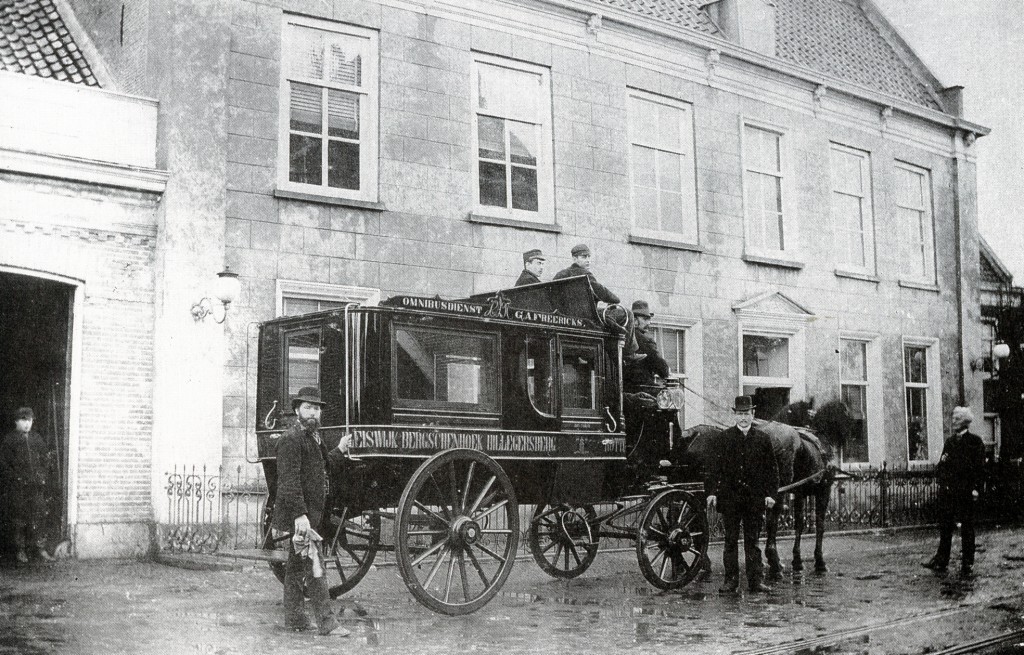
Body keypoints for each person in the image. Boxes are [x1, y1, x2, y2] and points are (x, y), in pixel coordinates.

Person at [274, 387, 350, 636]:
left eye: (317, 409)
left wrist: (339, 450)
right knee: (315, 566)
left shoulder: (313, 438)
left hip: (311, 515)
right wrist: (300, 516)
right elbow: (288, 482)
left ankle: (295, 620)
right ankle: (328, 624)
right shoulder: (292, 439)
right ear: (297, 410)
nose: (313, 413)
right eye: (308, 407)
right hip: (303, 517)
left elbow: (323, 466)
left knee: (296, 569)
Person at [706, 396, 779, 594]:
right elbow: (714, 468)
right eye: (740, 413)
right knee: (730, 540)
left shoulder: (763, 439)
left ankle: (755, 581)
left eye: (747, 413)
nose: (743, 418)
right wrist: (712, 492)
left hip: (754, 499)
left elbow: (771, 470)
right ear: (735, 415)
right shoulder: (724, 438)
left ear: (753, 414)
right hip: (730, 498)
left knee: (752, 541)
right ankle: (731, 581)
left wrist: (771, 494)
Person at [922, 406, 986, 575]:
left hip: (966, 492)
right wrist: (942, 477)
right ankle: (941, 560)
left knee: (967, 528)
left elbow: (980, 469)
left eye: (957, 419)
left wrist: (976, 489)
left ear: (964, 422)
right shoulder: (950, 442)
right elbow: (943, 464)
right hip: (950, 492)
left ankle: (968, 562)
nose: (953, 422)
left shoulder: (975, 442)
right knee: (945, 527)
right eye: (953, 419)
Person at [0, 407, 55, 564]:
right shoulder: (9, 440)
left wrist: (42, 475)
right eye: (23, 420)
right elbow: (3, 464)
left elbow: (46, 458)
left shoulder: (36, 438)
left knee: (39, 515)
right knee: (19, 518)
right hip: (18, 487)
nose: (27, 424)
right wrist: (14, 478)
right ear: (16, 421)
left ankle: (41, 549)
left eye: (29, 420)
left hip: (35, 486)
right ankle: (20, 550)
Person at [622, 300, 670, 393]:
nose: (649, 323)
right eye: (645, 319)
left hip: (624, 392)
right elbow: (663, 370)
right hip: (642, 393)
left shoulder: (623, 336)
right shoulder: (646, 341)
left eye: (649, 319)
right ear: (634, 320)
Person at [552, 244, 620, 305]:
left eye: (589, 257)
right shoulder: (585, 275)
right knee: (627, 313)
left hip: (563, 316)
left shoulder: (560, 274)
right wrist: (616, 300)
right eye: (584, 257)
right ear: (575, 259)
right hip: (586, 316)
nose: (588, 260)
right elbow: (603, 293)